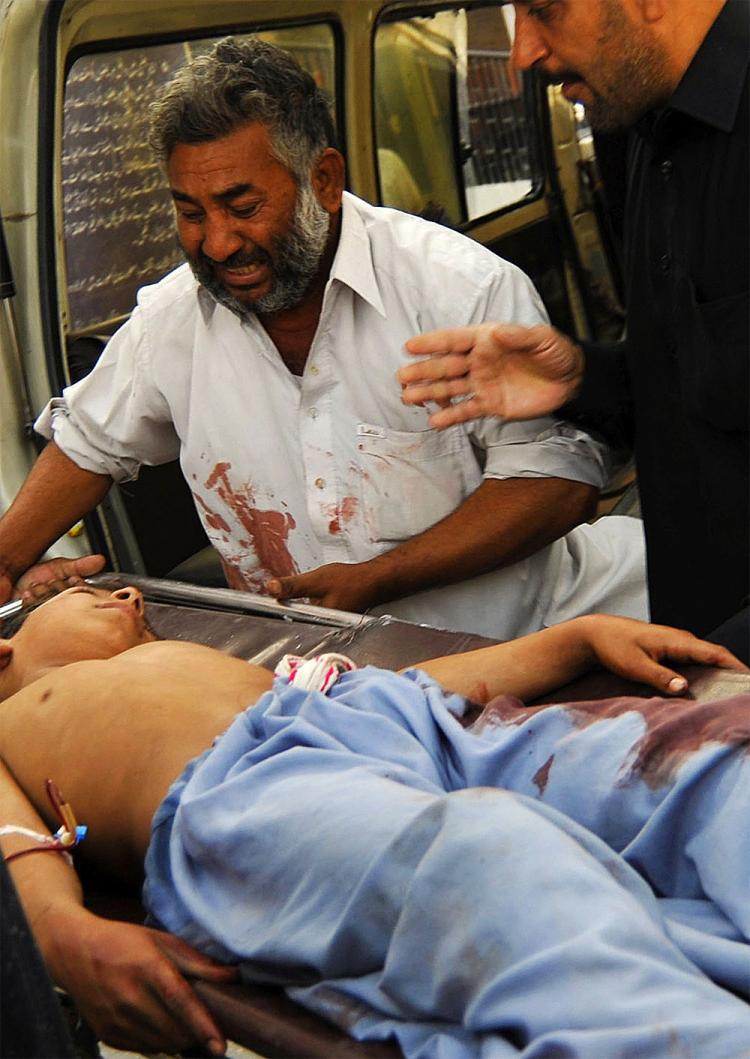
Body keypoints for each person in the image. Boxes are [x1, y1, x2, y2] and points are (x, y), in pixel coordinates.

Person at [0, 36, 648, 642]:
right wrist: (10, 561)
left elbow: (554, 482)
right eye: (190, 213)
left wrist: (375, 581)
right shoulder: (173, 318)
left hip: (522, 646)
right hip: (318, 676)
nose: (218, 242)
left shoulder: (458, 288)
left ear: (324, 180)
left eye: (243, 207)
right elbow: (88, 442)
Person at [1, 584, 749, 1057]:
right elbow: (10, 839)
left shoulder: (224, 670)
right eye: (85, 592)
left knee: (697, 760)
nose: (131, 596)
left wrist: (574, 638)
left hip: (402, 726)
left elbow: (406, 688)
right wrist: (62, 932)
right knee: (494, 859)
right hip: (252, 791)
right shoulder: (10, 721)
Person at [399, 0, 749, 657]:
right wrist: (586, 377)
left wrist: (714, 685)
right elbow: (705, 393)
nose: (522, 52)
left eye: (543, 11)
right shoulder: (644, 131)